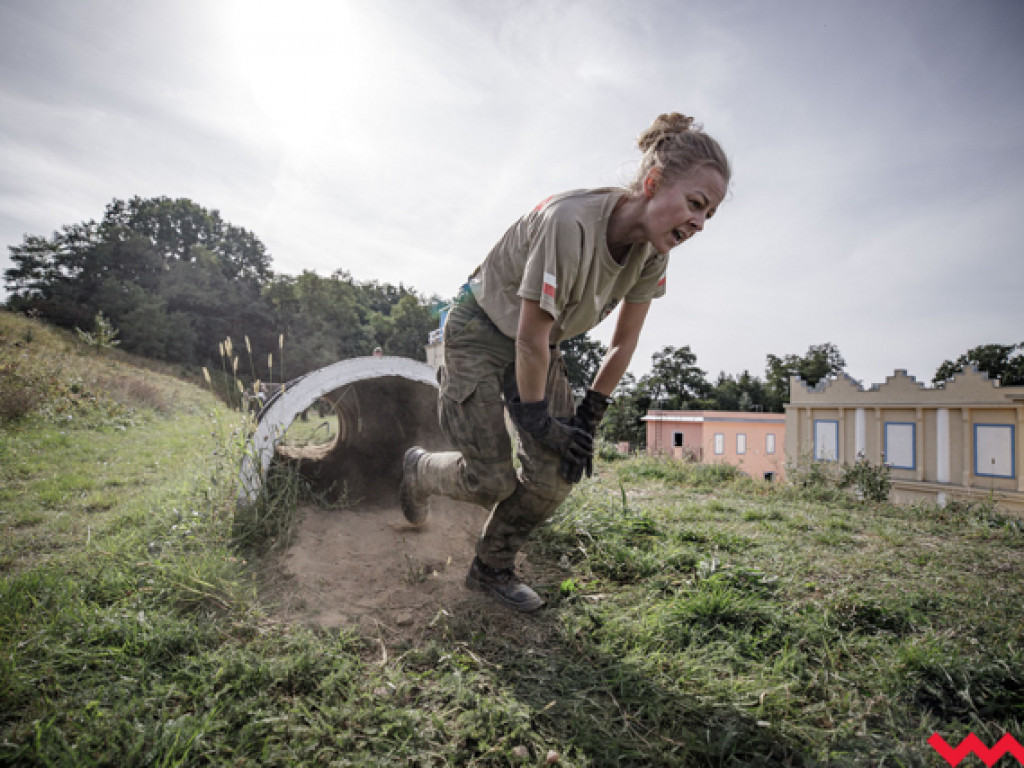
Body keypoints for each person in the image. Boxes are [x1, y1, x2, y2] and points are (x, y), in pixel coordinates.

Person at [400, 112, 731, 612]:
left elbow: (623, 344)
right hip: (481, 331)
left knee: (557, 473)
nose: (700, 223)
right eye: (695, 204)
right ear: (654, 182)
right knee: (491, 479)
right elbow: (529, 337)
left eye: (710, 215)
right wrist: (536, 418)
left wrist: (589, 416)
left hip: (540, 345)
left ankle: (491, 567)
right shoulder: (569, 223)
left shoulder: (656, 254)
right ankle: (420, 470)